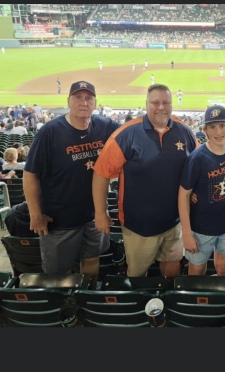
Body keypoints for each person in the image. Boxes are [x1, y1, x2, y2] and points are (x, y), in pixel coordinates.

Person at [23, 80, 121, 289]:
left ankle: (87, 295)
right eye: (78, 98)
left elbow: (131, 137)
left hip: (94, 216)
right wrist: (35, 214)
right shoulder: (49, 132)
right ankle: (62, 308)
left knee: (92, 259)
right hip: (59, 220)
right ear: (68, 101)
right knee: (57, 272)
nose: (83, 102)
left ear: (95, 103)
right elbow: (30, 174)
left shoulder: (105, 126)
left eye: (88, 98)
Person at [92, 83, 197, 278]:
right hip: (138, 225)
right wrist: (100, 213)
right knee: (138, 275)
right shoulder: (126, 134)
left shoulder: (185, 132)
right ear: (146, 104)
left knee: (172, 268)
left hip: (174, 223)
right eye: (155, 102)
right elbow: (101, 173)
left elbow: (196, 167)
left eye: (166, 102)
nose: (161, 107)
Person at [178, 104, 225, 276]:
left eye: (222, 125)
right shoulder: (197, 158)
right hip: (201, 227)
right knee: (197, 270)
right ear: (205, 130)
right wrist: (186, 233)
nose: (218, 132)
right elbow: (184, 195)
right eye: (212, 127)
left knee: (223, 268)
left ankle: (222, 301)